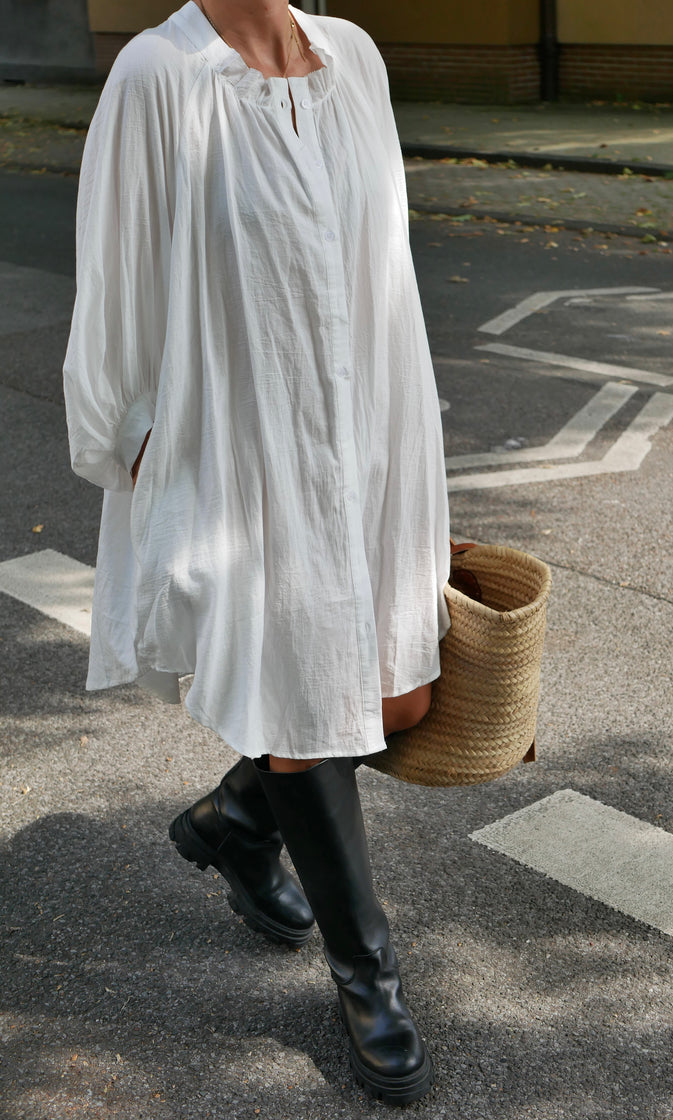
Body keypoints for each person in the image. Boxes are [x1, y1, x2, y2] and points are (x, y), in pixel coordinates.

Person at [63, 0, 451, 1106]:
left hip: (365, 422)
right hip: (241, 441)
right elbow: (117, 271)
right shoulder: (156, 76)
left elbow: (384, 263)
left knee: (402, 697)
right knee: (300, 701)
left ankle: (235, 823)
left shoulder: (355, 59)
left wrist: (407, 429)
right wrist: (131, 440)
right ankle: (366, 974)